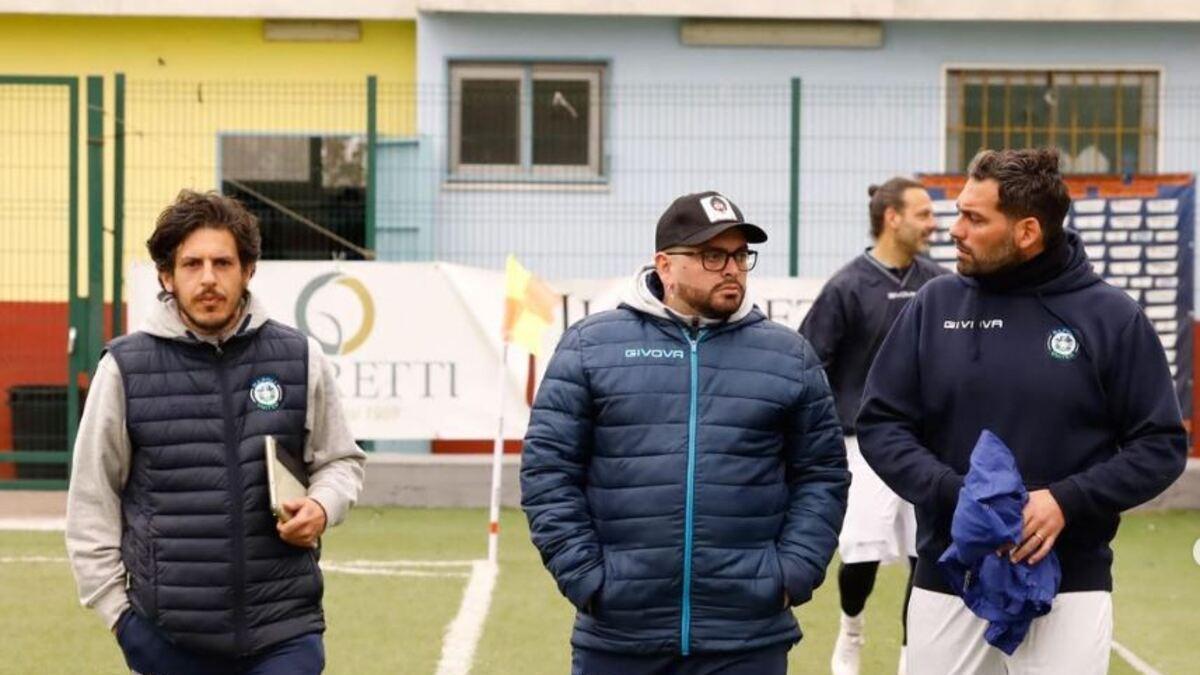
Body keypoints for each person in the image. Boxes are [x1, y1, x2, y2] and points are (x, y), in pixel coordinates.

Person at [857, 148, 1187, 673]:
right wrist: (952, 492)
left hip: (1068, 581)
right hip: (951, 574)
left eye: (974, 218)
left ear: (1027, 231)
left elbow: (1161, 447)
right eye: (958, 211)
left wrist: (1064, 501)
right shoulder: (933, 306)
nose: (954, 229)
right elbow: (881, 424)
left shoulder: (1113, 318)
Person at [521, 190, 849, 675]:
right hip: (619, 637)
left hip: (748, 637)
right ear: (665, 265)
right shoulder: (591, 347)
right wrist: (587, 578)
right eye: (712, 255)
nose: (732, 268)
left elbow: (822, 475)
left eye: (740, 255)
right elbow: (549, 472)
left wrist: (789, 574)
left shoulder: (789, 356)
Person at [66, 190, 367, 675]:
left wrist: (322, 505)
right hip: (169, 639)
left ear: (248, 270)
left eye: (223, 262)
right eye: (192, 264)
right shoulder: (125, 368)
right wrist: (119, 616)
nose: (208, 278)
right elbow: (91, 496)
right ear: (167, 275)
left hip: (284, 630)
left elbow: (340, 460)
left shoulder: (298, 357)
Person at [798, 177, 945, 675]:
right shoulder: (846, 286)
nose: (934, 224)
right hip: (862, 446)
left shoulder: (941, 284)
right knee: (860, 552)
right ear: (892, 218)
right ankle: (851, 630)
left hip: (928, 444)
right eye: (924, 214)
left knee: (926, 551)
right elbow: (809, 361)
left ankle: (913, 654)